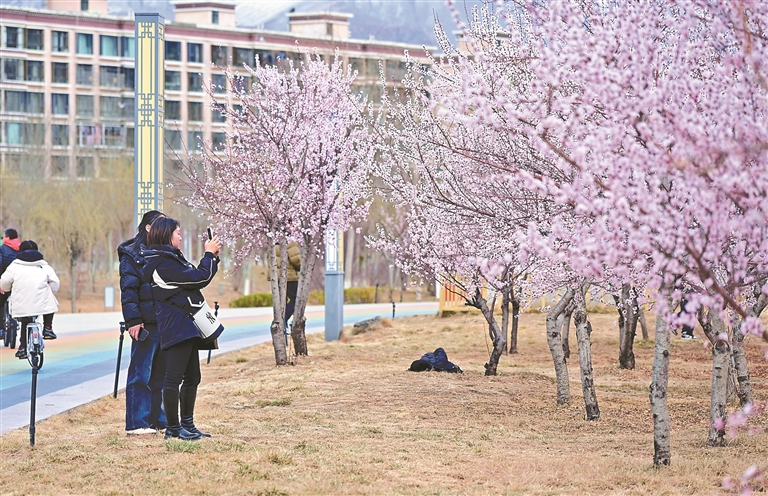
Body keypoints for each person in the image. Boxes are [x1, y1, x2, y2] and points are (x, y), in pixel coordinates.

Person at [143, 217, 221, 440]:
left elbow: (197, 278)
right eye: (177, 233)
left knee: (193, 377)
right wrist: (208, 255)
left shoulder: (172, 259)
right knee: (173, 378)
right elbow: (198, 278)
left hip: (187, 324)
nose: (180, 237)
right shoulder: (161, 263)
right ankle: (173, 428)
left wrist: (212, 258)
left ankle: (188, 424)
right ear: (167, 235)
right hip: (176, 325)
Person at [118, 210, 167, 435]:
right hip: (145, 324)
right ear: (148, 227)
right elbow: (129, 291)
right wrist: (134, 320)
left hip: (164, 321)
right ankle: (137, 422)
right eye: (160, 224)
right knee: (141, 374)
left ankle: (158, 420)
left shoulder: (165, 250)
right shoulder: (132, 255)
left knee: (161, 375)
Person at [0, 240, 59, 359]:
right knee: (50, 300)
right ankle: (48, 328)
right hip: (42, 301)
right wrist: (51, 291)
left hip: (22, 302)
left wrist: (6, 289)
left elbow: (4, 282)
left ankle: (22, 347)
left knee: (25, 320)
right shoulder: (44, 266)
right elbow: (55, 283)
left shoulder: (14, 266)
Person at [0, 228, 21, 332]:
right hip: (19, 282)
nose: (2, 239)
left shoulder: (2, 249)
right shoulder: (22, 248)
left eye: (3, 237)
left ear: (8, 238)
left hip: (5, 280)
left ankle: (0, 329)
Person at [278, 242, 301, 325]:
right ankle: (284, 318)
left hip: (277, 277)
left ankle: (281, 322)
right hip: (290, 277)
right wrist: (302, 267)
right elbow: (297, 260)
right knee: (297, 298)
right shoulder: (290, 243)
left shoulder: (273, 242)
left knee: (281, 301)